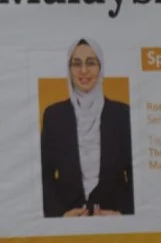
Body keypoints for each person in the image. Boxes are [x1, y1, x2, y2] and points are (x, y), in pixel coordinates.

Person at [40, 38, 134, 218]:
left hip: (116, 225)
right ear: (69, 69)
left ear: (101, 67)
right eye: (76, 64)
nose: (83, 70)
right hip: (68, 224)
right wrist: (61, 215)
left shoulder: (122, 114)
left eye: (91, 63)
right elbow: (43, 175)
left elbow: (136, 172)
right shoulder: (54, 116)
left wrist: (121, 214)